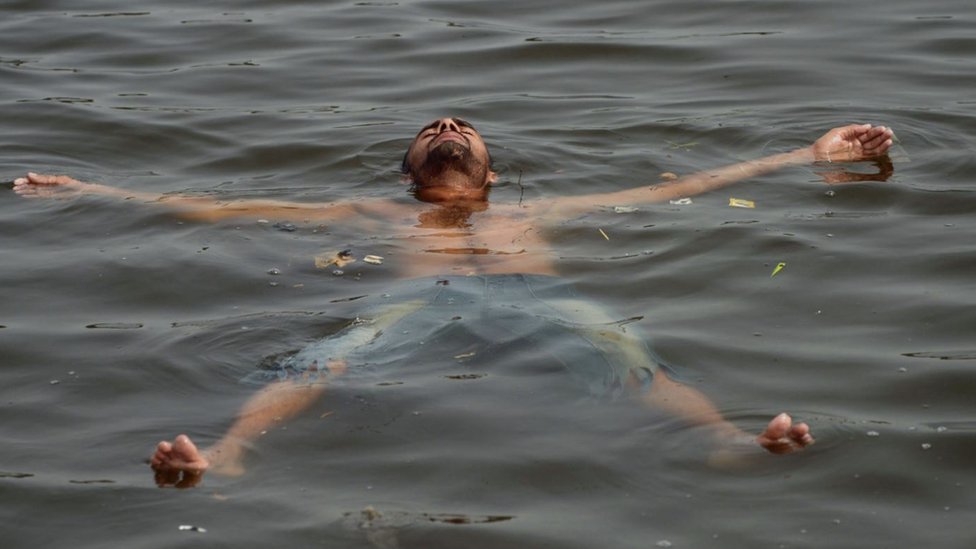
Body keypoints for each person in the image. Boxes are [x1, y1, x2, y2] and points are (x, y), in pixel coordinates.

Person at [13, 118, 894, 488]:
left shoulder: (537, 213)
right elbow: (219, 210)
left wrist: (806, 156)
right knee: (325, 357)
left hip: (541, 296)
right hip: (419, 302)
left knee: (630, 354)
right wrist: (90, 189)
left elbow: (683, 188)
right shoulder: (370, 214)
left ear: (492, 173)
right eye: (432, 131)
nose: (445, 126)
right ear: (409, 174)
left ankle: (729, 442)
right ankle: (231, 453)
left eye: (461, 128)